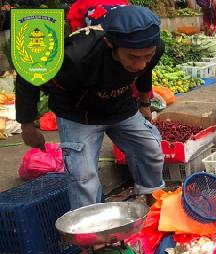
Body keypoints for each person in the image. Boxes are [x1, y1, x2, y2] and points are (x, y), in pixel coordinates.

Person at [15, 6, 165, 210]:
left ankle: (154, 201)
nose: (140, 64)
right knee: (83, 176)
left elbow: (144, 72)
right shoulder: (75, 56)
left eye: (147, 56)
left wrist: (145, 102)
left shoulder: (154, 49)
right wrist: (27, 126)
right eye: (132, 57)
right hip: (79, 115)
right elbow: (28, 75)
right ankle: (92, 233)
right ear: (111, 44)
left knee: (150, 149)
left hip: (120, 107)